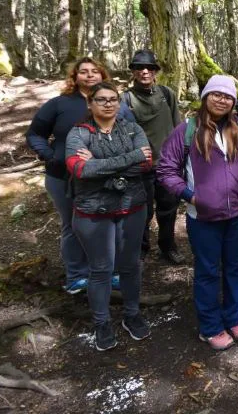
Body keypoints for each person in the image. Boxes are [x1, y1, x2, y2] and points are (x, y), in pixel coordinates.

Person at [157, 75, 238, 351]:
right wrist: (191, 196)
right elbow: (166, 169)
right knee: (207, 271)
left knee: (234, 267)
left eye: (228, 96)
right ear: (206, 97)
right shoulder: (187, 130)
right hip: (203, 217)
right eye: (216, 94)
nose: (222, 100)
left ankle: (234, 317)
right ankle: (210, 326)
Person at [26, 57, 132, 294]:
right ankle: (77, 276)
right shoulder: (59, 104)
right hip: (63, 177)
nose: (90, 75)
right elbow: (34, 134)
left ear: (103, 75)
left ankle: (113, 273)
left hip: (106, 177)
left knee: (111, 224)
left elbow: (133, 135)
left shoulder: (118, 105)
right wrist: (50, 155)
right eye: (84, 71)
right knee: (73, 225)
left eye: (95, 71)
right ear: (75, 77)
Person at [64, 82, 153, 351]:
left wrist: (97, 163)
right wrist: (130, 158)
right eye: (101, 99)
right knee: (101, 269)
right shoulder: (78, 133)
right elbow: (80, 170)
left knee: (130, 265)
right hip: (93, 212)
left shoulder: (132, 129)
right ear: (90, 103)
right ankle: (101, 322)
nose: (108, 104)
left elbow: (146, 164)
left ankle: (132, 314)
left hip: (132, 208)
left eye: (113, 99)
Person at [121, 49, 184, 265]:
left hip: (167, 165)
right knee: (142, 211)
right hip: (140, 167)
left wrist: (180, 157)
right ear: (133, 71)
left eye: (149, 67)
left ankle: (168, 246)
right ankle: (141, 248)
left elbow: (178, 127)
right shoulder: (125, 99)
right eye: (139, 67)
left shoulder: (167, 94)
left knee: (169, 209)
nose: (145, 71)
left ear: (155, 71)